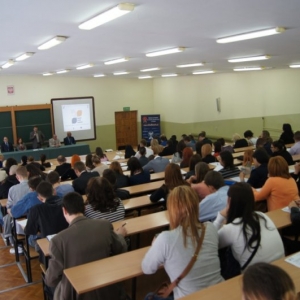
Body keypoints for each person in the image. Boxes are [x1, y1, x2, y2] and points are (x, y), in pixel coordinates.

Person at [142, 186, 223, 300]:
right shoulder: (210, 228)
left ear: (172, 210)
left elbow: (147, 268)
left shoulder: (165, 239)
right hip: (220, 294)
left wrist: (156, 245)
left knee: (149, 297)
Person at [44, 192, 127, 300]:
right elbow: (120, 248)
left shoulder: (57, 240)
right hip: (106, 286)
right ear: (84, 208)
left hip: (75, 294)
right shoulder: (104, 225)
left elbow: (51, 280)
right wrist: (120, 235)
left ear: (64, 210)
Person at [213, 183, 284, 276]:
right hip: (281, 268)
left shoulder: (231, 229)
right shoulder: (262, 215)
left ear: (229, 201)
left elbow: (209, 243)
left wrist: (220, 217)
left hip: (257, 279)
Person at [25, 181, 69, 247]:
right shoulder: (67, 202)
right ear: (54, 191)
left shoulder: (37, 209)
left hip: (49, 242)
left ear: (39, 198)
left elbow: (29, 230)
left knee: (30, 238)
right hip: (67, 237)